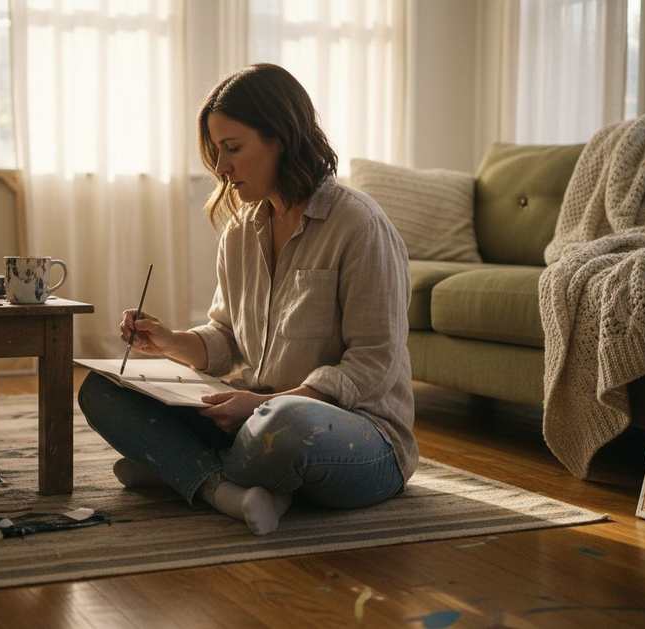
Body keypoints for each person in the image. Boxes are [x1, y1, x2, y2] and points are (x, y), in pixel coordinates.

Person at [78, 63, 417, 536]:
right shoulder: (239, 231)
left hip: (355, 436)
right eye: (216, 153)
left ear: (280, 136)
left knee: (287, 423)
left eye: (232, 148)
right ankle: (229, 491)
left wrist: (262, 406)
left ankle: (177, 471)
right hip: (253, 422)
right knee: (102, 390)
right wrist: (170, 340)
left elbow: (373, 362)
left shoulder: (360, 226)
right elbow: (225, 337)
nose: (221, 168)